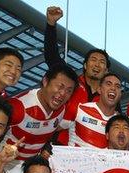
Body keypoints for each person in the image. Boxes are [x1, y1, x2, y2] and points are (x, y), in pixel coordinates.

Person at [45, 6, 112, 145]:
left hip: (90, 156)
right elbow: (52, 56)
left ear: (106, 71)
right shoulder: (70, 82)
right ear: (85, 65)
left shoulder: (109, 96)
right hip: (56, 148)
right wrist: (51, 25)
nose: (97, 64)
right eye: (93, 60)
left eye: (102, 62)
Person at [59, 72, 122, 148]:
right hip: (73, 159)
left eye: (117, 86)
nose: (113, 88)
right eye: (108, 84)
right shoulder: (79, 109)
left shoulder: (121, 122)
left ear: (120, 94)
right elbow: (51, 128)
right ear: (99, 89)